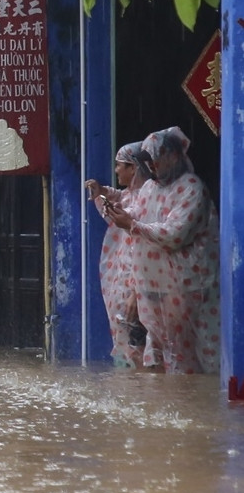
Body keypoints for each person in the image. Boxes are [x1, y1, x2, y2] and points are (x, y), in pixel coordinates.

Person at [105, 127, 220, 374]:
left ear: (173, 156)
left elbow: (174, 234)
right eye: (147, 161)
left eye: (156, 159)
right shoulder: (150, 188)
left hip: (186, 286)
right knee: (158, 353)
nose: (152, 166)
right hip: (152, 287)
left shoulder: (192, 188)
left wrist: (132, 225)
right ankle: (164, 403)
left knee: (186, 354)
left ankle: (190, 405)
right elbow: (137, 214)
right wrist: (119, 215)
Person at [84, 142, 151, 367]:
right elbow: (119, 197)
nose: (116, 171)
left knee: (141, 350)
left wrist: (135, 292)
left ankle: (143, 393)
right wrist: (102, 191)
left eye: (119, 165)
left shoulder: (145, 198)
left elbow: (119, 215)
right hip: (128, 287)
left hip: (138, 288)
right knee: (133, 350)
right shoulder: (131, 194)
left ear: (133, 168)